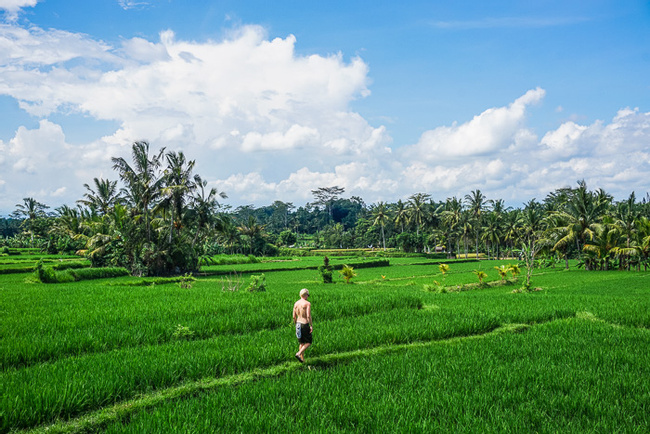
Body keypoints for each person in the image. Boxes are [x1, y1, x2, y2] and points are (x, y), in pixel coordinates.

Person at [293, 288, 312, 362]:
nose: (308, 296)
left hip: (298, 324)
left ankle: (302, 359)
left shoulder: (296, 303)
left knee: (301, 343)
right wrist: (311, 325)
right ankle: (299, 353)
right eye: (307, 295)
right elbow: (308, 316)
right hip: (304, 324)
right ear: (305, 295)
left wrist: (296, 324)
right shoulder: (307, 303)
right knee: (308, 342)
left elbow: (294, 316)